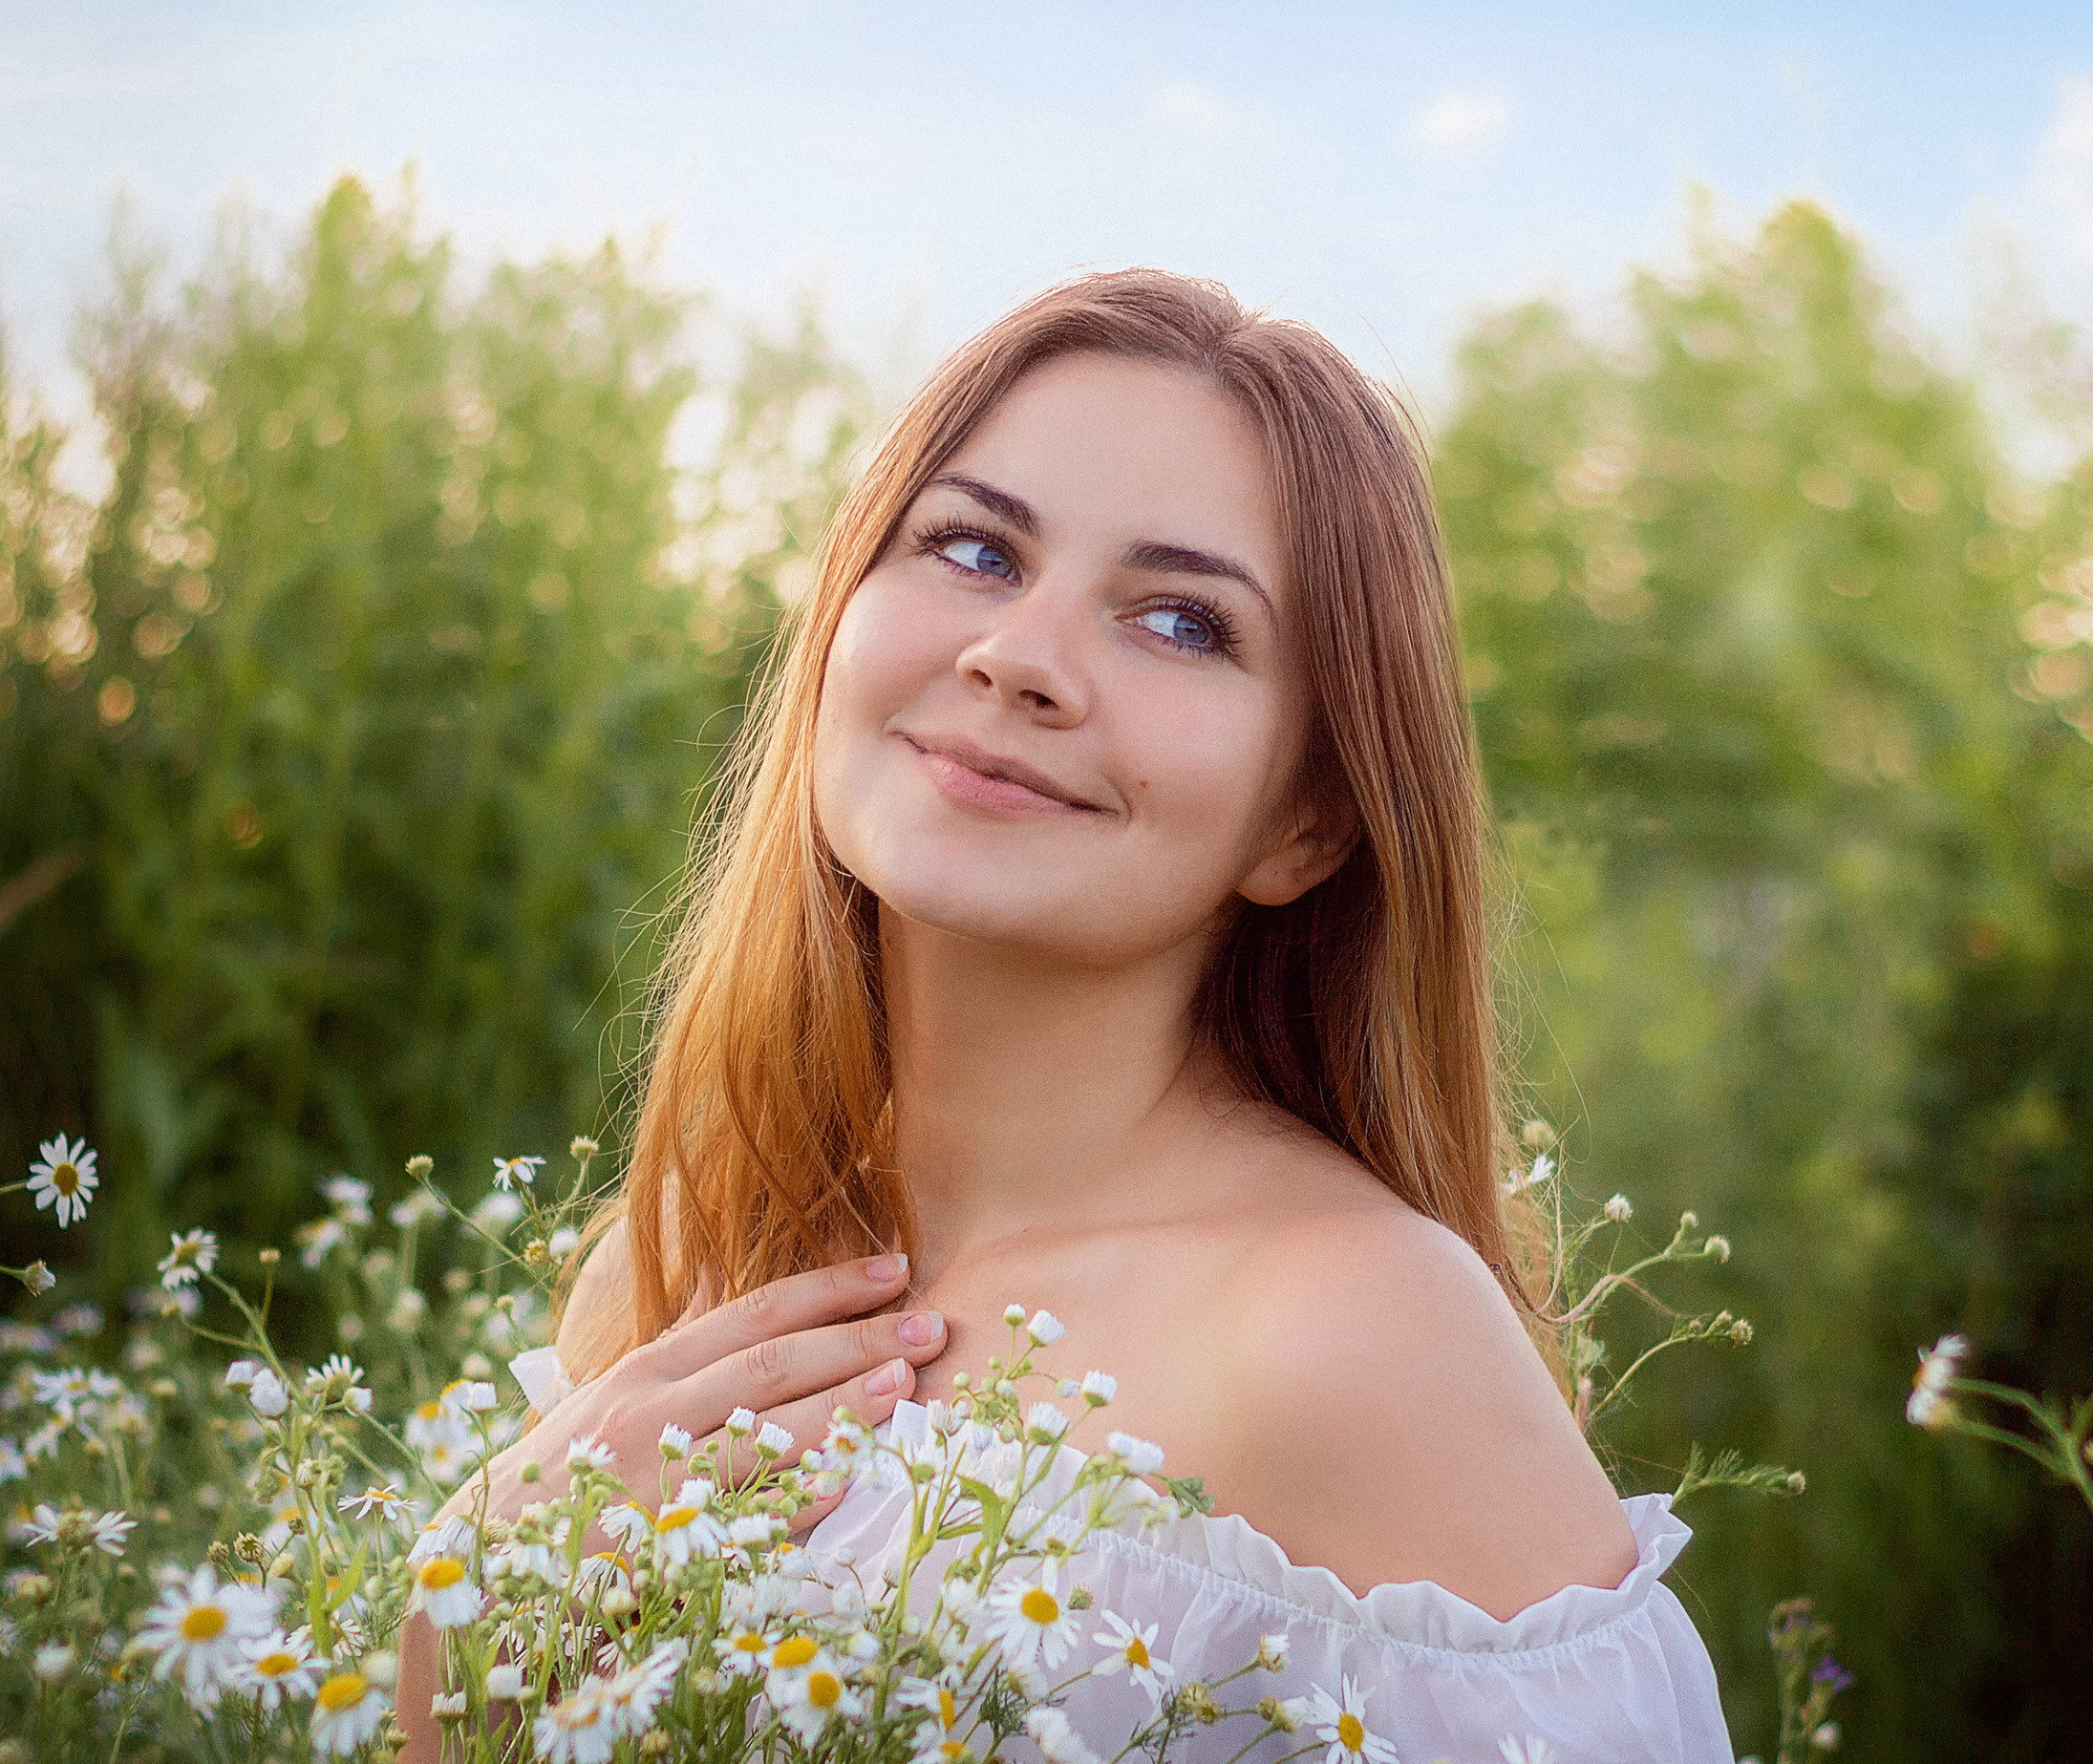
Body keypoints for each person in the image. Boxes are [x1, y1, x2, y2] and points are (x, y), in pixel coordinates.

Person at [401, 269, 1733, 1761]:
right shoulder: (693, 1256)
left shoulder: (1354, 1332)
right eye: (974, 548)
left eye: (1179, 621)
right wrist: (472, 1612)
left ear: (1308, 819)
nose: (1019, 658)